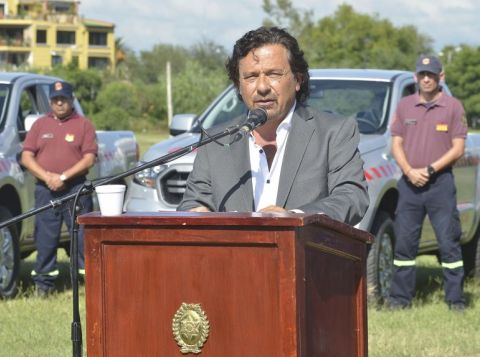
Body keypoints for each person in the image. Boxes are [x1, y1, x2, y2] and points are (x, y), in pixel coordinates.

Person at [177, 27, 369, 226]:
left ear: (298, 79)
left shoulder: (333, 132)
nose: (262, 87)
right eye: (251, 77)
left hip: (306, 253)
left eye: (274, 74)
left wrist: (295, 217)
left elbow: (352, 198)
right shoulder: (216, 139)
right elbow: (192, 202)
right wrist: (196, 214)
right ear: (239, 86)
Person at [387, 55, 468, 311]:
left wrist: (430, 169)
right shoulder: (404, 106)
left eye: (431, 75)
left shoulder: (453, 107)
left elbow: (458, 148)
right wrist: (410, 170)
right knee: (404, 244)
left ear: (440, 77)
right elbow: (396, 143)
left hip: (440, 184)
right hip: (409, 185)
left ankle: (455, 300)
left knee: (448, 242)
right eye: (422, 74)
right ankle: (400, 300)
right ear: (415, 77)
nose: (426, 79)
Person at [21, 81, 97, 296]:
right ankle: (44, 285)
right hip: (46, 190)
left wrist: (64, 176)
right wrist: (47, 177)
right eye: (55, 99)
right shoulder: (39, 125)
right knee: (45, 238)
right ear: (50, 101)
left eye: (64, 99)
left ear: (71, 100)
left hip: (75, 189)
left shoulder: (83, 125)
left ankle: (87, 283)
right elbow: (26, 157)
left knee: (82, 237)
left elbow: (89, 158)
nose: (60, 103)